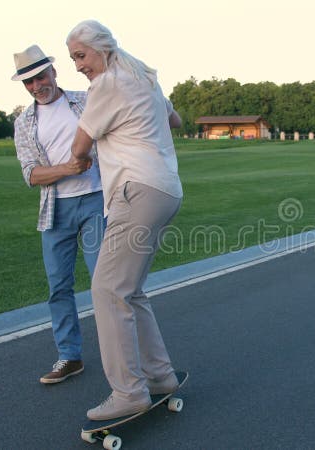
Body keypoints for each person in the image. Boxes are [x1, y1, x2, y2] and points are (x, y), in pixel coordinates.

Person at [66, 20, 183, 420]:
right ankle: (161, 377)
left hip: (137, 191)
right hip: (166, 189)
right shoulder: (144, 76)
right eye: (73, 59)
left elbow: (79, 144)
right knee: (129, 291)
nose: (78, 66)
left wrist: (81, 159)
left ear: (102, 48)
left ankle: (128, 392)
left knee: (106, 290)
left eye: (81, 56)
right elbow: (176, 120)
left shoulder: (108, 83)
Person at [11, 44, 105, 385]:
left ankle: (120, 354)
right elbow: (31, 175)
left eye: (40, 77)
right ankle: (70, 356)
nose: (37, 86)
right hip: (56, 211)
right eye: (28, 83)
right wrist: (67, 167)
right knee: (58, 287)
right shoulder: (24, 122)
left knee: (104, 284)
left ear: (53, 71)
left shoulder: (85, 99)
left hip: (97, 201)